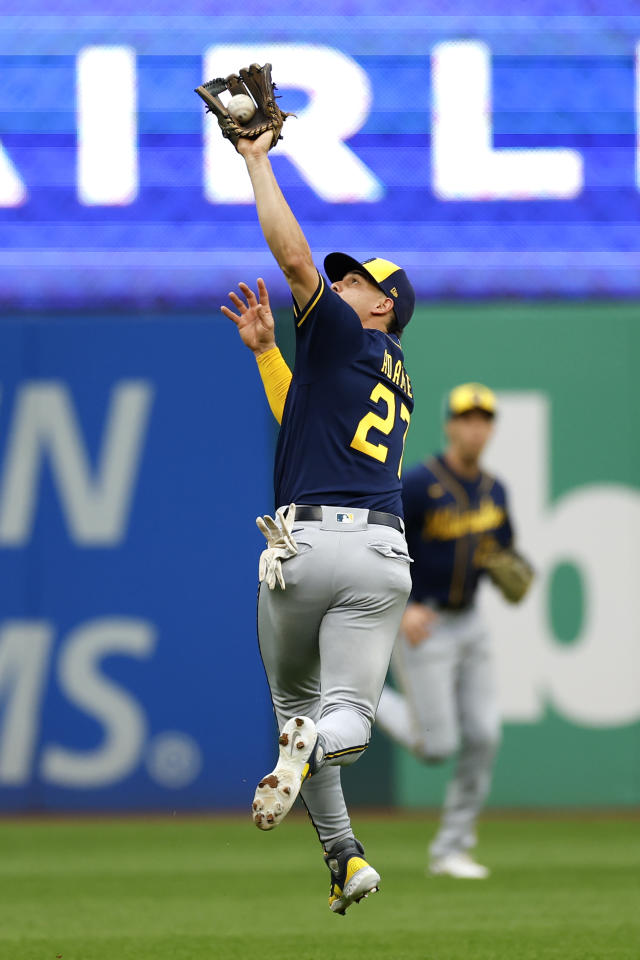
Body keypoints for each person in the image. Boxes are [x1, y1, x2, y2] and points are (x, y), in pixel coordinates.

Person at [219, 127, 416, 914]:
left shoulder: (343, 330)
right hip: (372, 553)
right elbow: (303, 423)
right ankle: (345, 856)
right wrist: (271, 354)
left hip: (298, 553)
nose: (340, 285)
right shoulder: (390, 375)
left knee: (300, 713)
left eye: (358, 282)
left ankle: (339, 849)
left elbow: (295, 260)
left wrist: (257, 160)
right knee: (345, 721)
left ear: (385, 308)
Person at [376, 383, 532, 879]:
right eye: (467, 418)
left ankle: (451, 850)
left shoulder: (494, 490)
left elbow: (502, 555)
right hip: (425, 621)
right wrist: (401, 607)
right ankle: (364, 699)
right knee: (436, 747)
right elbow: (380, 544)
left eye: (484, 419)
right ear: (449, 425)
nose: (475, 427)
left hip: (471, 623)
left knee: (485, 735)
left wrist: (510, 569)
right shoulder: (420, 483)